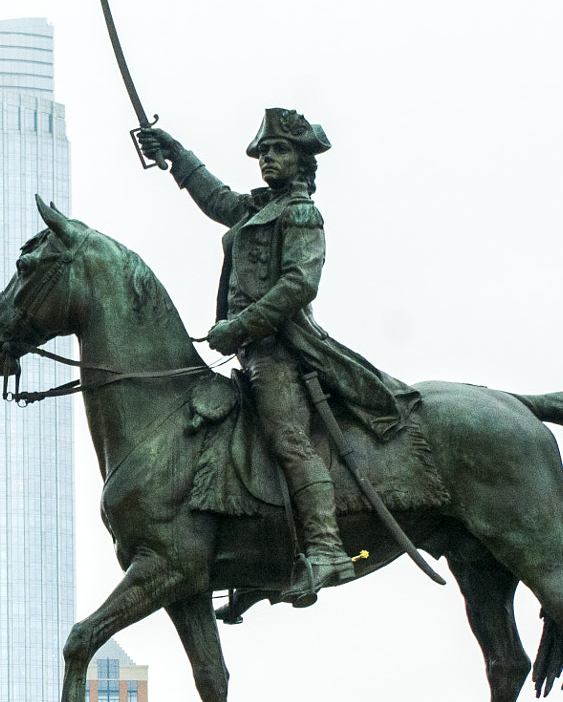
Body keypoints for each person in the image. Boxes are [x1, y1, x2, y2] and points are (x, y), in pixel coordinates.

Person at [136, 109, 420, 605]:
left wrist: (237, 328)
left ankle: (328, 551)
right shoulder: (256, 208)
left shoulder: (301, 213)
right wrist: (174, 153)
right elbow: (216, 196)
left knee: (287, 439)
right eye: (264, 151)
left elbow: (298, 285)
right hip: (249, 352)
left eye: (279, 150)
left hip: (283, 352)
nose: (268, 157)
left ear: (303, 161)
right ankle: (263, 555)